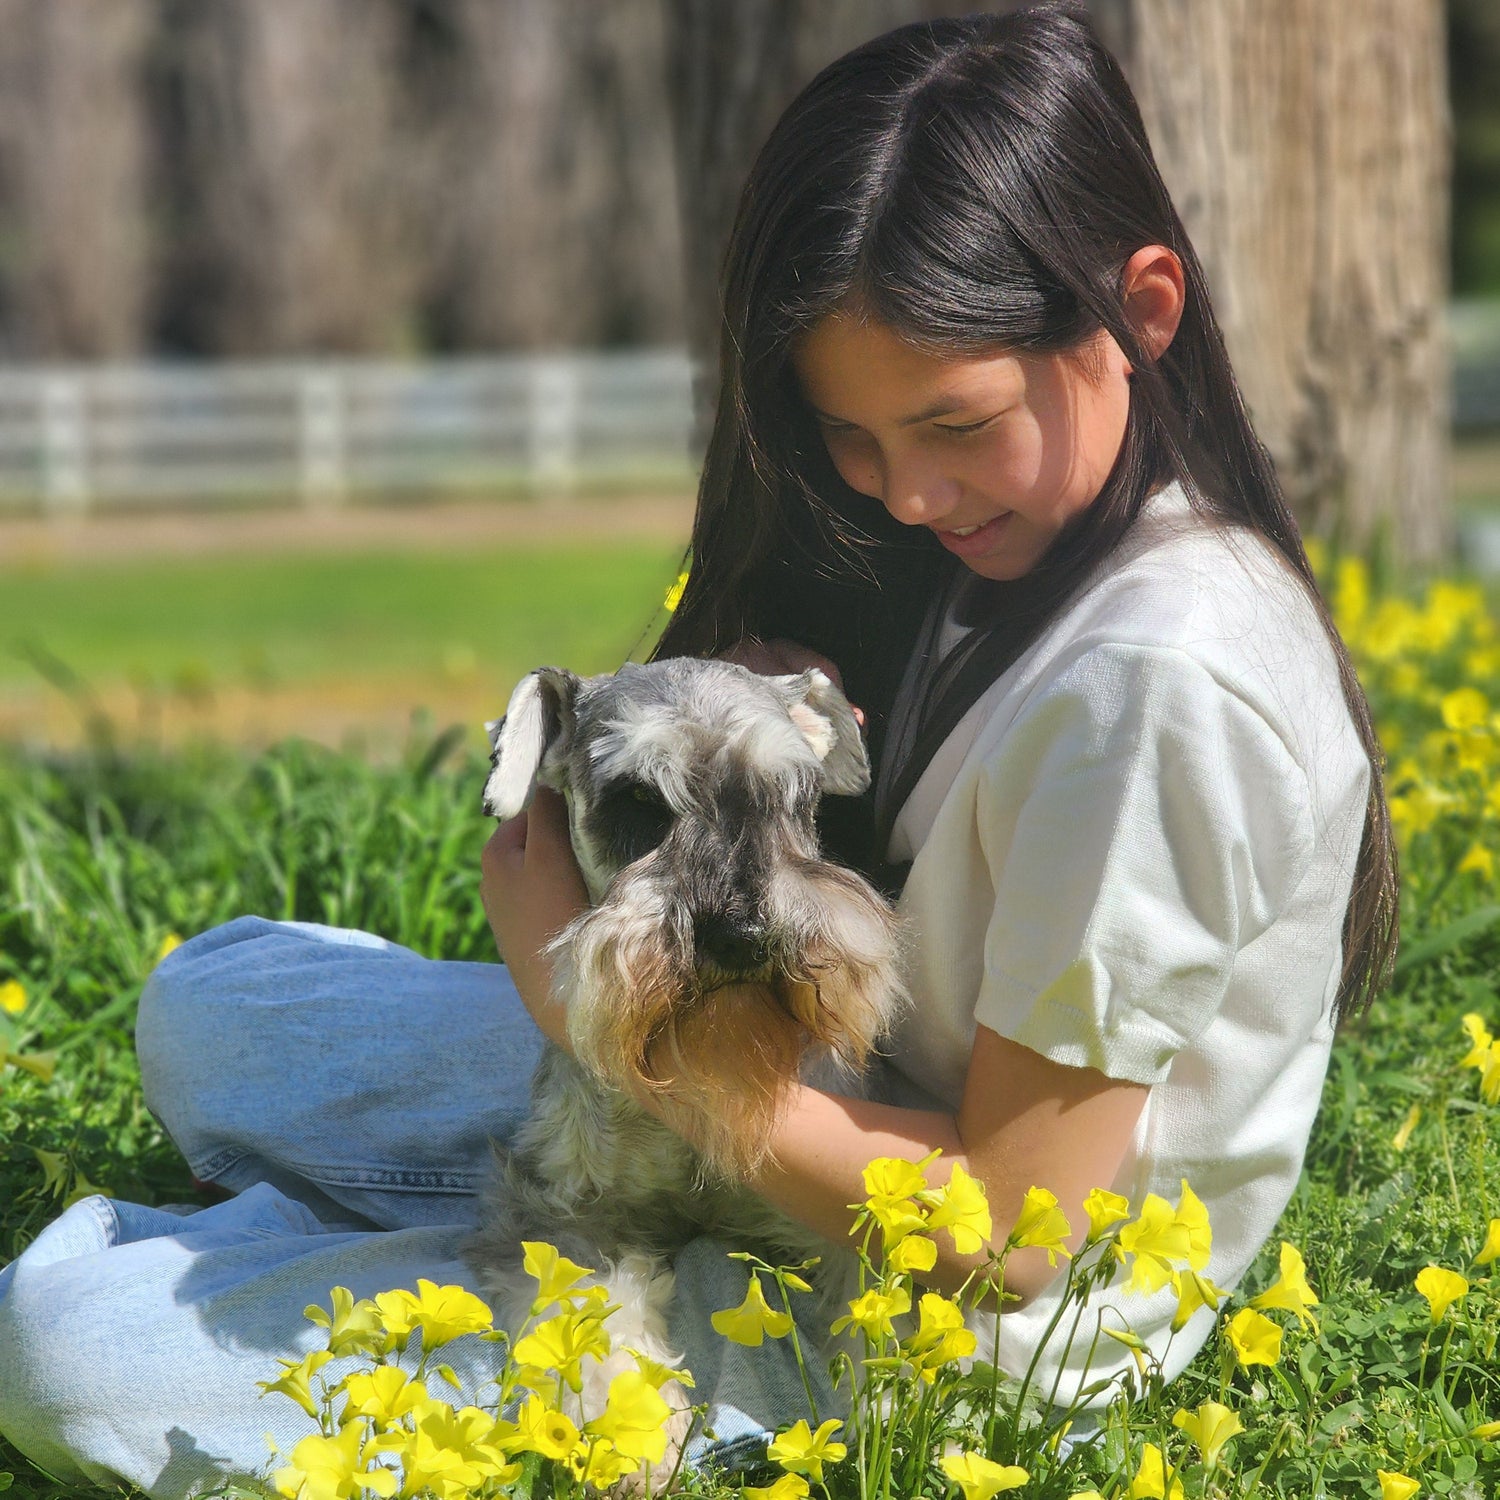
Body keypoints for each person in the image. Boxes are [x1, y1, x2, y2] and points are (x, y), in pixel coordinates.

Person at [0, 6, 1394, 1496]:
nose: (906, 496)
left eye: (954, 424)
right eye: (851, 439)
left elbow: (1008, 1234)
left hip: (922, 1313)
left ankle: (405, 1261)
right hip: (832, 1076)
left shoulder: (1166, 683)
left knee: (62, 1341)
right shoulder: (1030, 546)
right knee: (210, 999)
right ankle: (439, 1236)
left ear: (1146, 311)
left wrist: (574, 1000)